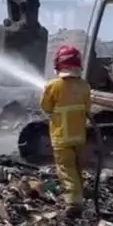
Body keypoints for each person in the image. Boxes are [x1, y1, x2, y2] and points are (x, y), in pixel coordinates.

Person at [40, 45, 92, 214]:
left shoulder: (53, 86)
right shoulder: (85, 86)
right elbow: (88, 109)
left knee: (66, 168)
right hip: (80, 136)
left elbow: (45, 107)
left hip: (61, 137)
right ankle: (80, 194)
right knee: (77, 167)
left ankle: (74, 202)